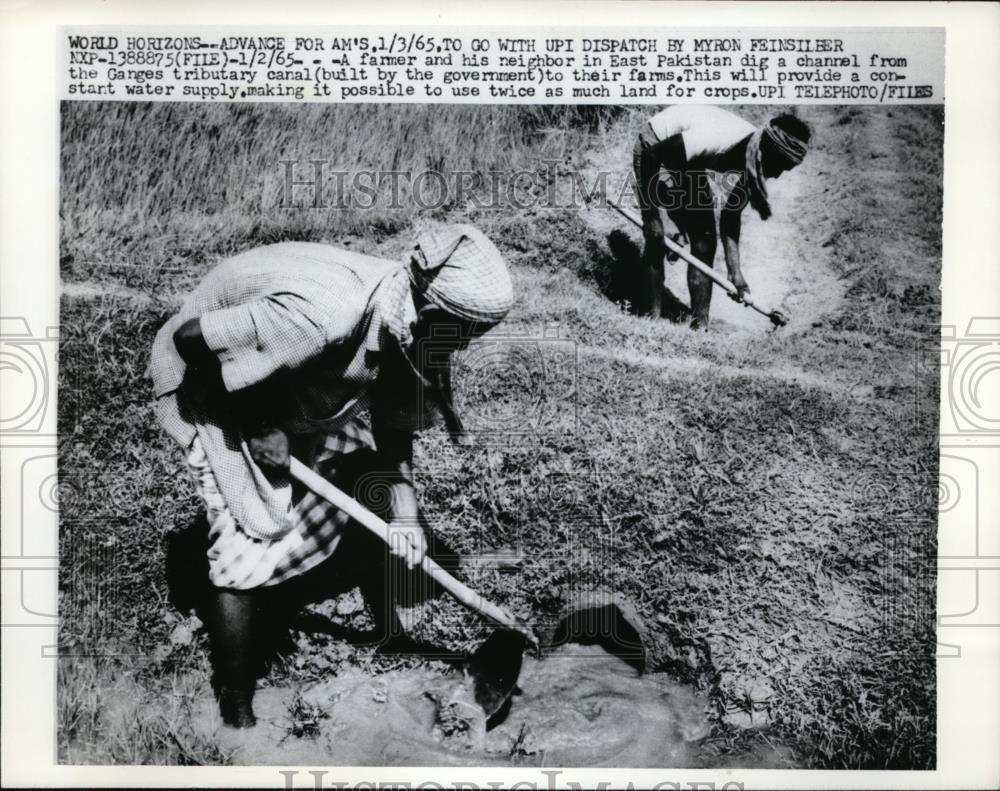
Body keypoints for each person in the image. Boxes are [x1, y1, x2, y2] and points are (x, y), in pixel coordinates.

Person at [147, 224, 514, 727]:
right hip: (211, 381)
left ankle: (383, 632)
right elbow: (190, 342)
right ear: (430, 311)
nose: (467, 347)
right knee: (250, 538)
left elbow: (393, 417)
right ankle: (236, 712)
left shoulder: (407, 321)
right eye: (465, 334)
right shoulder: (323, 316)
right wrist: (259, 427)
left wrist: (406, 518)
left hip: (291, 385)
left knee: (363, 469)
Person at [632, 106, 811, 329]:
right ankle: (651, 319)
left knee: (705, 240)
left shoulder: (755, 159)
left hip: (686, 162)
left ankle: (700, 326)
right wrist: (654, 218)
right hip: (656, 145)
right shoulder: (716, 137)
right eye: (779, 166)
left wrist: (735, 272)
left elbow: (731, 215)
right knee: (657, 236)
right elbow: (653, 155)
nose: (777, 175)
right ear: (766, 152)